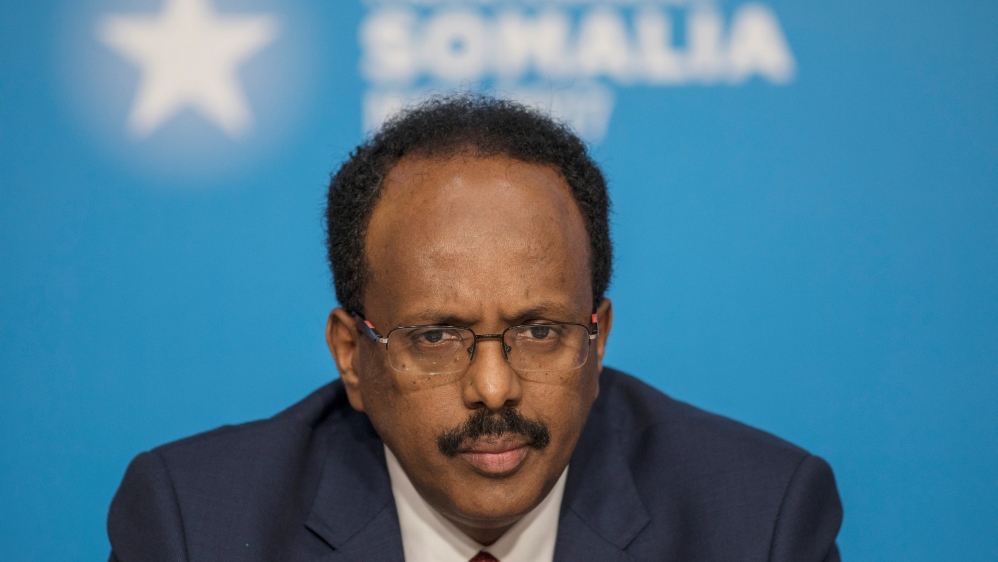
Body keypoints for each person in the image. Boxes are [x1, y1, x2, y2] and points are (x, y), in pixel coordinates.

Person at [107, 95, 843, 562]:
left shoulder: (758, 523)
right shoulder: (195, 530)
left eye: (540, 331)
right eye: (435, 337)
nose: (494, 389)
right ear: (352, 357)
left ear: (599, 338)